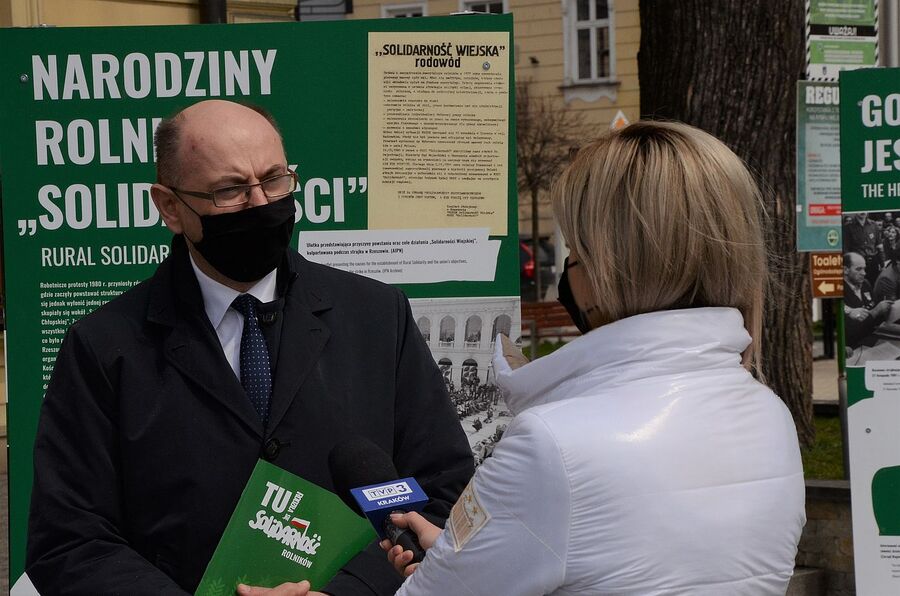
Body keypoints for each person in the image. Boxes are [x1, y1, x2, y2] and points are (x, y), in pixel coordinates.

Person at [26, 100, 474, 596]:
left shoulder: (375, 315)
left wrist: (346, 593)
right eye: (230, 190)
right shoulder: (104, 347)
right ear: (170, 207)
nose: (261, 204)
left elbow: (444, 487)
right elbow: (68, 539)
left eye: (275, 179)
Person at [382, 121, 806, 595]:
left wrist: (447, 575)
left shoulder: (553, 444)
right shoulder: (770, 415)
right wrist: (469, 556)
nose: (569, 271)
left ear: (609, 267)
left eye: (575, 252)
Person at [845, 251, 894, 349]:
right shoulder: (840, 292)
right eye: (858, 269)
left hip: (874, 340)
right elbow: (850, 332)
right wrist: (875, 312)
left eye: (864, 269)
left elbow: (874, 311)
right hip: (856, 346)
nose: (864, 273)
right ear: (845, 270)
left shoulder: (865, 284)